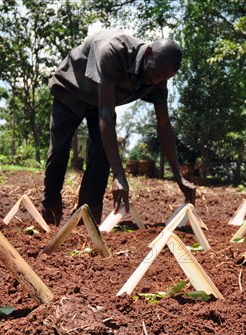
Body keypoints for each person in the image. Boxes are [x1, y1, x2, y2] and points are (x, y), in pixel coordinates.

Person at [42, 30, 196, 225]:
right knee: (60, 149)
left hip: (102, 100)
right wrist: (119, 175)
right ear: (148, 53)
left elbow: (164, 125)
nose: (157, 80)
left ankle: (86, 218)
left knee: (103, 154)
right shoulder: (113, 50)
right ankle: (50, 211)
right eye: (155, 73)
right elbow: (106, 115)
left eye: (163, 78)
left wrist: (178, 176)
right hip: (73, 88)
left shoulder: (159, 78)